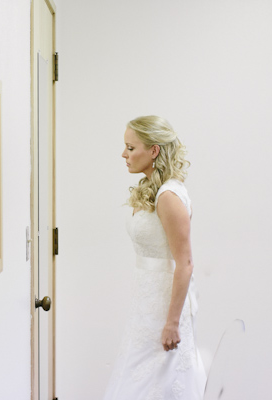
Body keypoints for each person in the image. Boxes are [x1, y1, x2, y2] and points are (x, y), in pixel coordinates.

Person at [103, 116, 206, 399]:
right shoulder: (154, 190)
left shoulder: (169, 196)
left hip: (164, 308)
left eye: (130, 147)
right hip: (148, 303)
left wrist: (172, 323)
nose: (124, 154)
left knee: (160, 379)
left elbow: (185, 264)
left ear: (154, 150)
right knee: (141, 378)